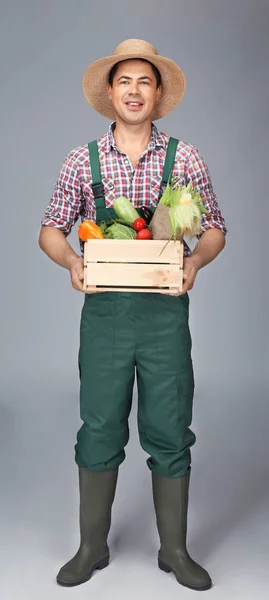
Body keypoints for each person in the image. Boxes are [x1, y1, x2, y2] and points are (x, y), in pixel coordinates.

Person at [38, 38, 227, 591]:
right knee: (99, 426)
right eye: (125, 81)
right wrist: (73, 261)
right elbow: (50, 229)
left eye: (145, 81)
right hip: (106, 316)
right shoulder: (83, 160)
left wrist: (196, 263)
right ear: (111, 93)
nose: (135, 90)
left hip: (166, 312)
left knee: (169, 429)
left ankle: (174, 550)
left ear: (159, 92)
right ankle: (91, 547)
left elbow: (213, 227)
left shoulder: (184, 157)